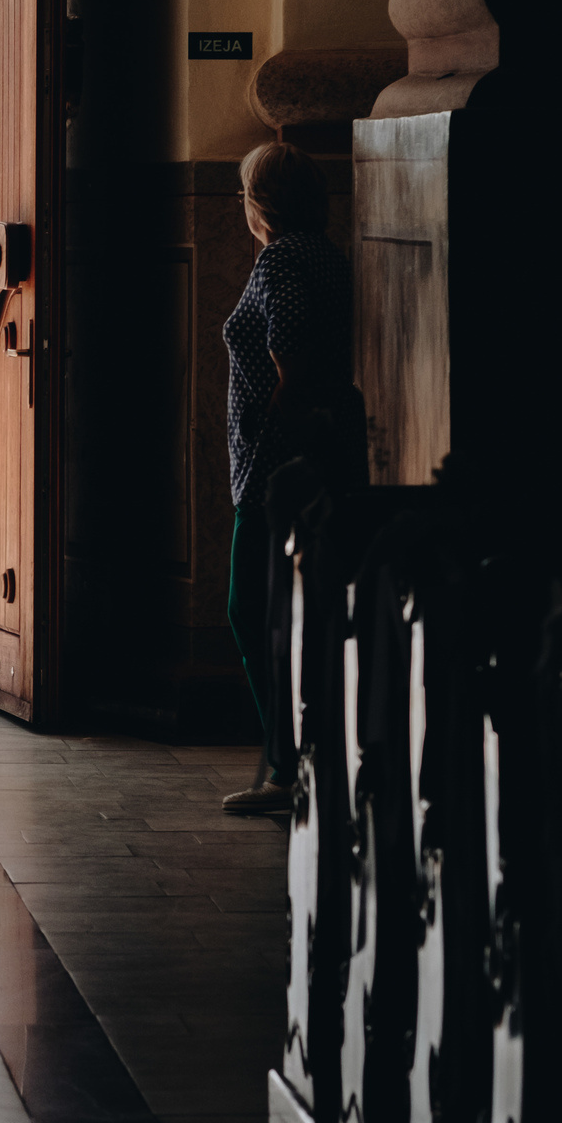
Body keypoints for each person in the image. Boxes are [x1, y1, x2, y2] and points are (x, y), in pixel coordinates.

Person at [220, 141, 356, 815]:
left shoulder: (281, 258)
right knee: (287, 614)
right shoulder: (322, 251)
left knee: (253, 610)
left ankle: (290, 767)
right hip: (302, 462)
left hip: (276, 470)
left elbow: (289, 349)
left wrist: (282, 421)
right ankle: (299, 760)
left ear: (259, 203)